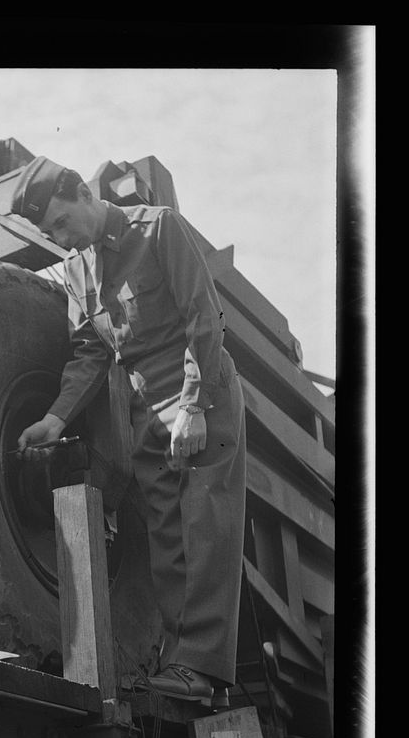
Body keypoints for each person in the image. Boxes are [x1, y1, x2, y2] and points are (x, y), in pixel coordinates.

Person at [12, 156, 246, 709]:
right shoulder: (77, 272)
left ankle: (203, 667)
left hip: (199, 386)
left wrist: (194, 405)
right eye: (50, 235)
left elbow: (203, 318)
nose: (62, 240)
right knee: (166, 535)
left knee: (205, 523)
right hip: (144, 405)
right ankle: (181, 662)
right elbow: (91, 352)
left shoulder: (158, 226)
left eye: (62, 225)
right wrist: (55, 418)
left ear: (80, 193)